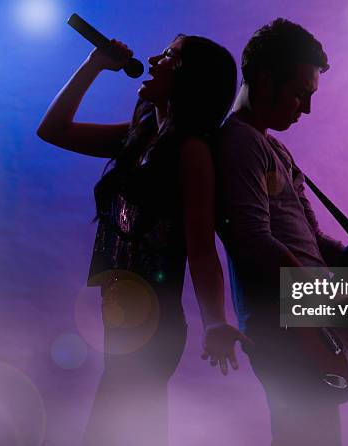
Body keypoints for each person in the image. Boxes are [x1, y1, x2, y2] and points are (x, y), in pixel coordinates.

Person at [37, 34, 249, 446]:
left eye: (169, 55)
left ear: (190, 78)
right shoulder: (142, 134)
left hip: (154, 329)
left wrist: (216, 322)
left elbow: (202, 250)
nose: (154, 59)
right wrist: (94, 64)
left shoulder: (191, 152)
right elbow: (53, 130)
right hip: (122, 322)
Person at [216, 19, 348, 445]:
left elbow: (311, 238)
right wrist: (334, 306)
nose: (306, 109)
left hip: (307, 319)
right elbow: (253, 239)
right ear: (265, 81)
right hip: (283, 326)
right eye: (301, 93)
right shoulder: (238, 142)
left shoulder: (274, 148)